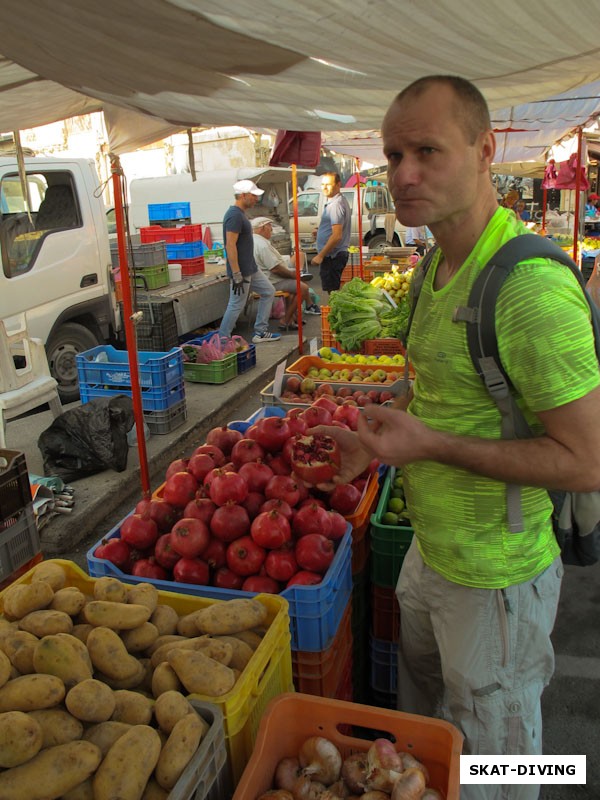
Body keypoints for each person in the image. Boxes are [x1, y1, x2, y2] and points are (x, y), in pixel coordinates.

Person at [315, 76, 600, 800]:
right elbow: (435, 387)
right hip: (432, 558)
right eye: (393, 154)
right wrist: (374, 441)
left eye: (427, 151)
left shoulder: (530, 287)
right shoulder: (432, 268)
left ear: (484, 151)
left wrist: (430, 446)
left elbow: (587, 461)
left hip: (498, 579)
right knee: (432, 750)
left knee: (500, 771)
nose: (404, 174)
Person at [218, 180, 281, 344]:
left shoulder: (240, 214)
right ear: (243, 195)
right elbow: (230, 245)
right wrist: (237, 273)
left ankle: (260, 331)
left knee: (268, 291)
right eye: (253, 196)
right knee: (236, 305)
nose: (256, 199)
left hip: (250, 268)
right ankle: (223, 341)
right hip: (242, 271)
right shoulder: (234, 216)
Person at [251, 216, 314, 331]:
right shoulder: (262, 245)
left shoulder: (254, 241)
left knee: (293, 290)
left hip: (263, 279)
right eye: (269, 226)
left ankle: (292, 319)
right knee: (303, 288)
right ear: (262, 228)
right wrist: (292, 274)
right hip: (270, 281)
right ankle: (286, 319)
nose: (271, 229)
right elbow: (275, 269)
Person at [311, 171, 351, 299]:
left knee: (334, 293)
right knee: (333, 292)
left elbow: (337, 236)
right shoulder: (337, 201)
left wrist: (320, 255)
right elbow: (336, 228)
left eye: (328, 184)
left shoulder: (335, 204)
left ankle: (336, 316)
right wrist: (321, 232)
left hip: (333, 256)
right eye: (323, 184)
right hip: (334, 255)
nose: (324, 187)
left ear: (338, 185)